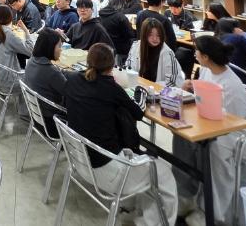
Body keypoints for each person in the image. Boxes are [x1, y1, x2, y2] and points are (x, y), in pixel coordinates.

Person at [63, 44, 178, 225]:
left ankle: (134, 208)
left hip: (80, 161)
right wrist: (140, 92)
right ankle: (153, 222)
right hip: (107, 172)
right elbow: (138, 112)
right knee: (163, 172)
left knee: (139, 159)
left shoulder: (72, 79)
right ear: (111, 66)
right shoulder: (110, 88)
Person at [174, 36, 246, 224]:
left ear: (206, 57)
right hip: (209, 123)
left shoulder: (231, 85)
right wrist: (191, 89)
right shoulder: (206, 71)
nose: (194, 54)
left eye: (197, 52)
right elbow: (204, 100)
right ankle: (186, 196)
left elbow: (235, 122)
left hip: (237, 133)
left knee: (214, 150)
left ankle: (210, 210)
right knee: (181, 138)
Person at [22, 28, 71, 135]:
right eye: (59, 46)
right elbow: (70, 93)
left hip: (37, 117)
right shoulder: (51, 72)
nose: (61, 50)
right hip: (53, 124)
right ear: (50, 47)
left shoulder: (32, 60)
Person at [0, 5, 33, 94]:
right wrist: (26, 31)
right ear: (10, 18)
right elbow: (30, 50)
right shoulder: (8, 34)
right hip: (7, 83)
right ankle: (26, 104)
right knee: (35, 79)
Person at [125, 19, 185, 87]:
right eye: (150, 35)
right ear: (144, 35)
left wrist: (152, 87)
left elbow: (172, 81)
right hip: (139, 86)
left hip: (159, 90)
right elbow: (128, 68)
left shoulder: (167, 52)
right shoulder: (136, 46)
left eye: (158, 35)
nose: (155, 39)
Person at [97, 0, 135, 66]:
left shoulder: (101, 13)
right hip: (119, 49)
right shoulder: (120, 17)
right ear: (121, 4)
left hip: (104, 46)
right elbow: (130, 34)